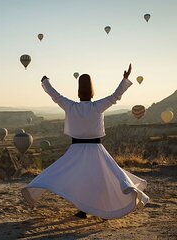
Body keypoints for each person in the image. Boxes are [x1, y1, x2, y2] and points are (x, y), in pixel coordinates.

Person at [21, 64, 149, 219]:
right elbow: (116, 96)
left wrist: (46, 82)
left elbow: (55, 96)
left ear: (78, 91)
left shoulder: (70, 106)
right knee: (102, 180)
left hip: (76, 149)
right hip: (96, 149)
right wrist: (125, 79)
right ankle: (103, 211)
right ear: (92, 90)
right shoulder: (98, 106)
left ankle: (84, 210)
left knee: (77, 179)